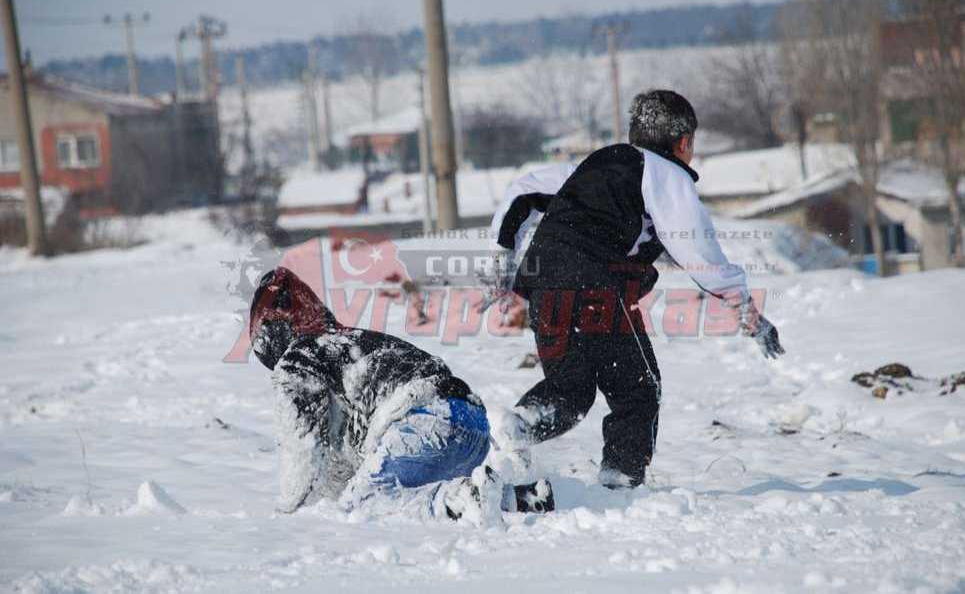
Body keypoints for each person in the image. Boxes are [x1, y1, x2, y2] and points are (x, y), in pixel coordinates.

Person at [487, 89, 784, 489]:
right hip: (596, 288)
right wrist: (746, 310)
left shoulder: (591, 169)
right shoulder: (666, 175)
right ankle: (620, 482)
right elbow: (698, 251)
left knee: (568, 393)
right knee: (638, 391)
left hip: (546, 288)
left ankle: (514, 430)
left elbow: (522, 192)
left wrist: (501, 260)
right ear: (683, 143)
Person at [249, 267, 554, 520]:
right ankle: (520, 499)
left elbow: (302, 447)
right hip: (472, 423)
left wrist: (288, 514)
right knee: (400, 497)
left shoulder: (298, 358)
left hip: (425, 422)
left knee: (361, 509)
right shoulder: (350, 345)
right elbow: (341, 469)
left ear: (273, 331)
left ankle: (462, 499)